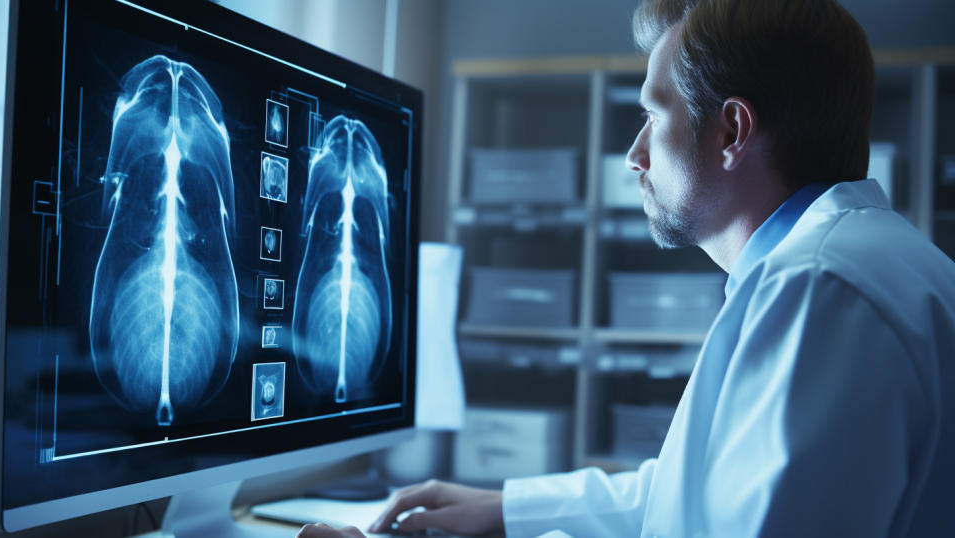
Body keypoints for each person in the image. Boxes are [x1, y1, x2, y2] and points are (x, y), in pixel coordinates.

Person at [298, 0, 955, 536]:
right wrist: (507, 510)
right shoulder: (843, 265)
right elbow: (694, 495)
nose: (633, 156)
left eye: (651, 114)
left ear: (731, 133)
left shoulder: (821, 291)